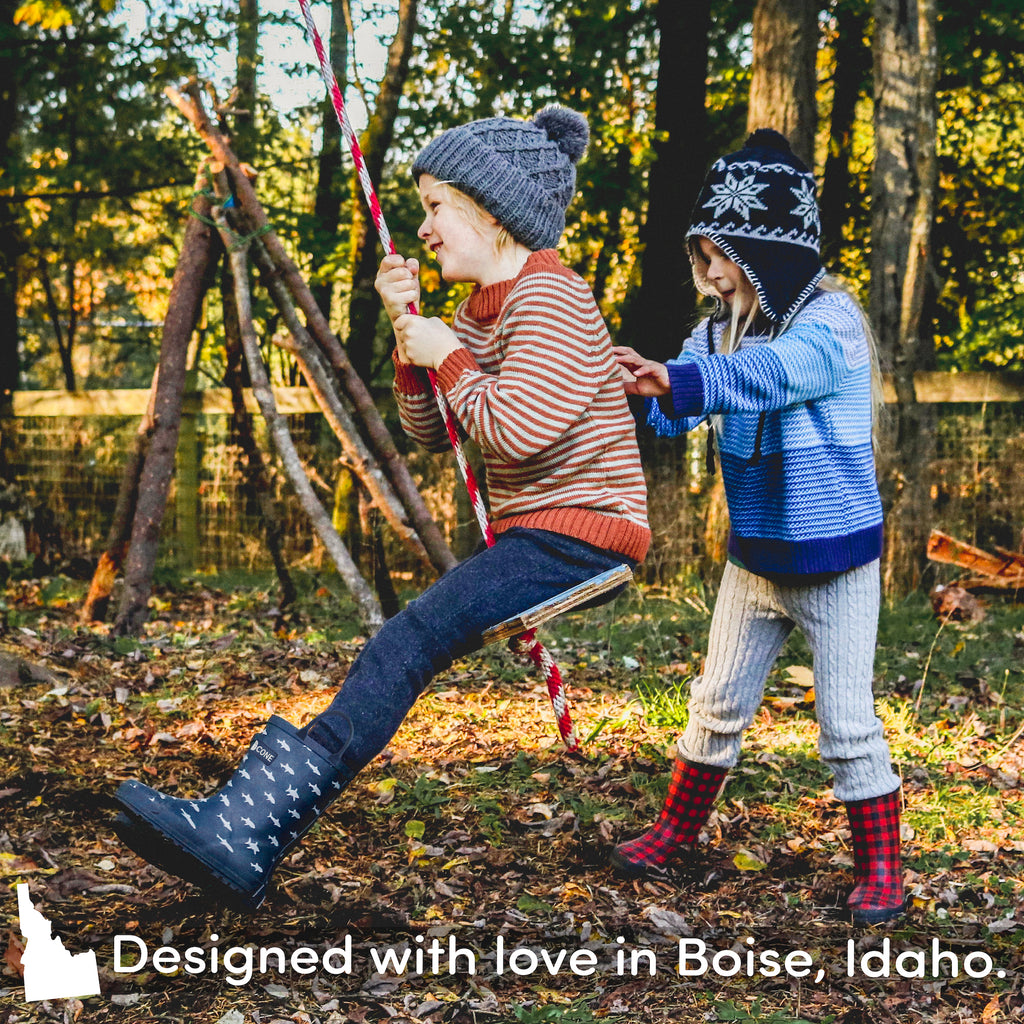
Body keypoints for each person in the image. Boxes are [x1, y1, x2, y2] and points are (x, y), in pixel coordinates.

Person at [113, 106, 650, 912]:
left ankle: (247, 830)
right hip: (543, 532)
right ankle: (245, 826)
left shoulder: (553, 298)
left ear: (493, 211)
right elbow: (434, 432)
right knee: (408, 643)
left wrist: (450, 355)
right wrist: (411, 344)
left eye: (436, 207)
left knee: (409, 640)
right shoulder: (481, 310)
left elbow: (514, 431)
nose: (423, 229)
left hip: (582, 532)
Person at [610, 130, 904, 926]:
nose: (709, 273)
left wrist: (684, 380)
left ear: (769, 254)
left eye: (722, 256)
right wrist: (637, 389)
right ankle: (676, 831)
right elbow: (681, 407)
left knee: (846, 725)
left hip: (837, 562)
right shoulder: (715, 332)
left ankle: (881, 868)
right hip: (755, 560)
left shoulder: (830, 324)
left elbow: (772, 375)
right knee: (715, 703)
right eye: (702, 256)